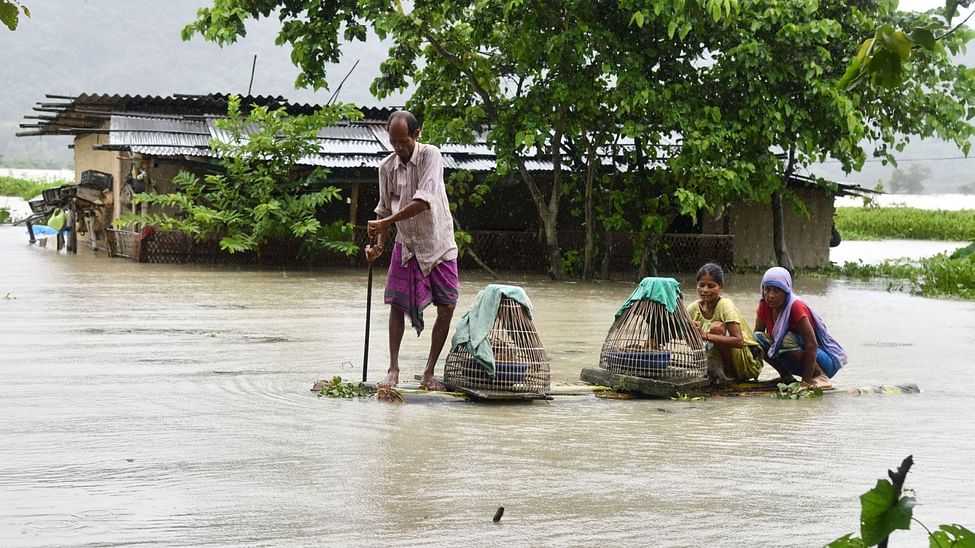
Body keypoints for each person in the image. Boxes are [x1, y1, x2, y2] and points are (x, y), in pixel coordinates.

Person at [365, 110, 459, 391]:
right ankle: (393, 369)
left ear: (416, 135)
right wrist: (377, 245)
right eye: (393, 142)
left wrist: (385, 222)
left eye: (403, 141)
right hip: (406, 244)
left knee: (448, 306)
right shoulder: (386, 168)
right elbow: (383, 208)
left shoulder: (431, 156)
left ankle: (429, 372)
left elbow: (423, 200)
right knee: (396, 304)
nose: (399, 148)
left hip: (437, 242)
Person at [753, 267, 847, 390]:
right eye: (767, 290)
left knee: (784, 338)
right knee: (757, 338)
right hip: (796, 361)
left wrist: (805, 382)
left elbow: (812, 345)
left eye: (776, 291)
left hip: (821, 361)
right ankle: (786, 376)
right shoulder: (764, 306)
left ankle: (821, 377)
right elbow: (756, 337)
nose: (770, 296)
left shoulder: (795, 307)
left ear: (786, 291)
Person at [686, 263, 763, 384]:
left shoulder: (724, 305)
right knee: (690, 330)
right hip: (714, 358)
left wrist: (705, 335)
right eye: (701, 285)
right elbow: (680, 333)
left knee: (716, 327)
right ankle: (710, 371)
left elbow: (739, 341)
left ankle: (730, 374)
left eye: (711, 286)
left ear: (721, 287)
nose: (705, 290)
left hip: (744, 361)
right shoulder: (693, 308)